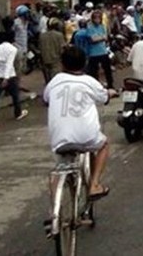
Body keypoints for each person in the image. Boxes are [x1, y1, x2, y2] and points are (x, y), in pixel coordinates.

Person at [44, 46, 117, 200]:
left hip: (59, 138)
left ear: (62, 64)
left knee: (58, 169)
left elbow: (46, 98)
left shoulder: (54, 81)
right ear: (84, 63)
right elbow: (104, 97)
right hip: (86, 136)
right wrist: (111, 92)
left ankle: (53, 214)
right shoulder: (90, 81)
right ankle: (95, 185)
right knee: (104, 145)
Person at [0, 31, 28, 128]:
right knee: (15, 95)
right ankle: (18, 113)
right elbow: (9, 64)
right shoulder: (12, 49)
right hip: (10, 76)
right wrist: (6, 78)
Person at [86, 10, 114, 89]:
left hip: (103, 51)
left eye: (99, 18)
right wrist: (101, 37)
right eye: (96, 18)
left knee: (107, 70)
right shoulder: (90, 27)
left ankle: (110, 85)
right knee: (93, 72)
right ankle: (95, 87)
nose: (97, 20)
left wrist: (99, 37)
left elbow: (105, 37)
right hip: (93, 53)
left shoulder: (102, 26)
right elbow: (92, 39)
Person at [39, 18, 66, 84]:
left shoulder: (42, 36)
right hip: (56, 61)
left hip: (45, 61)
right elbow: (62, 49)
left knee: (48, 81)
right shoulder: (59, 35)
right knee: (56, 81)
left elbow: (40, 48)